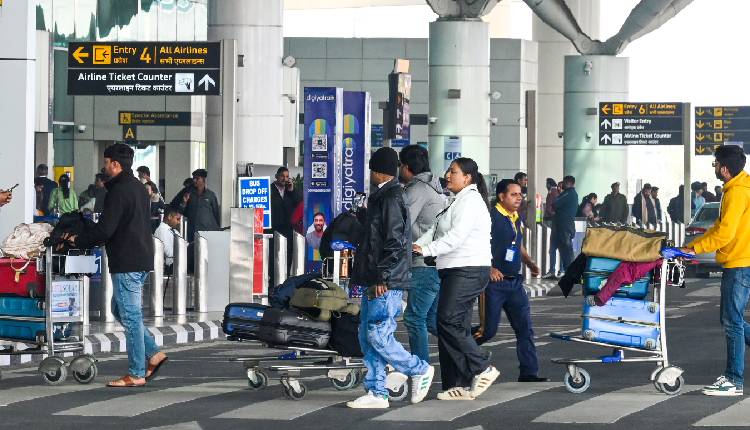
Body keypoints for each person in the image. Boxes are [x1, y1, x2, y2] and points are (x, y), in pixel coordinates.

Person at [68, 143, 167, 387]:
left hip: (127, 260)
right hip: (140, 257)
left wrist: (78, 240)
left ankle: (136, 373)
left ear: (115, 164)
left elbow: (106, 229)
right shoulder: (137, 187)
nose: (103, 167)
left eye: (106, 162)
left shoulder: (119, 191)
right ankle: (153, 353)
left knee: (130, 317)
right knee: (119, 309)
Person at [348, 147, 434, 409]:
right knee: (368, 335)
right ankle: (377, 392)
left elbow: (394, 242)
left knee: (378, 334)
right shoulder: (384, 196)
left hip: (385, 280)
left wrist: (382, 277)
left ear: (377, 171)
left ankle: (419, 368)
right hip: (376, 278)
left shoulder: (391, 197)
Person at [414, 157, 499, 401]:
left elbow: (456, 237)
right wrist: (417, 246)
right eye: (449, 171)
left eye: (453, 171)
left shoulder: (471, 201)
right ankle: (457, 384)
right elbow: (434, 230)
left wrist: (427, 250)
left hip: (468, 269)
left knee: (447, 320)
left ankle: (481, 366)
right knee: (453, 325)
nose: (447, 175)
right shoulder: (455, 201)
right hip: (453, 269)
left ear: (467, 178)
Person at [680, 145, 750, 396]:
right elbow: (719, 228)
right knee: (732, 319)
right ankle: (733, 378)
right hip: (741, 261)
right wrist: (691, 247)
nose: (715, 168)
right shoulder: (738, 188)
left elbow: (725, 233)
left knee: (732, 322)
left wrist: (694, 250)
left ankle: (733, 380)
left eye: (716, 164)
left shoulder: (737, 192)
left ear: (725, 169)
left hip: (739, 263)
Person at [473, 179, 547, 382]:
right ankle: (457, 347)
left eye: (520, 194)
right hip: (493, 285)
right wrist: (489, 268)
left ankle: (529, 372)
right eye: (513, 194)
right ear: (501, 196)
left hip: (515, 283)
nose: (519, 198)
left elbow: (517, 244)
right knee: (487, 331)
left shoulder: (515, 217)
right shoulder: (491, 218)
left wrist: (530, 263)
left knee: (525, 329)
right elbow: (476, 243)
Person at [399, 144, 447, 362]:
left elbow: (400, 224)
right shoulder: (436, 187)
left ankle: (421, 370)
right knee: (431, 320)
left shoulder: (417, 189)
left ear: (406, 167)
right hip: (437, 263)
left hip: (424, 264)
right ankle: (472, 354)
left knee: (414, 318)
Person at [271, 167, 301, 275]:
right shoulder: (270, 189)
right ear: (276, 176)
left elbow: (299, 203)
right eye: (282, 176)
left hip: (288, 229)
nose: (285, 179)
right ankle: (273, 281)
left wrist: (291, 190)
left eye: (287, 176)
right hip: (274, 228)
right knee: (274, 256)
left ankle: (286, 279)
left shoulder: (290, 191)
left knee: (287, 255)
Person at [179, 169, 220, 242]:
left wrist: (217, 230)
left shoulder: (211, 195)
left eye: (197, 178)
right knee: (193, 248)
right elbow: (182, 212)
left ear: (203, 179)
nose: (194, 180)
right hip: (193, 231)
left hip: (207, 231)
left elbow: (216, 213)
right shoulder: (189, 194)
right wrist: (184, 202)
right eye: (194, 178)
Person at [553, 176, 578, 275]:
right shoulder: (570, 193)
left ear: (568, 183)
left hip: (565, 226)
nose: (562, 184)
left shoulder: (568, 193)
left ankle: (571, 273)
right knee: (566, 250)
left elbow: (555, 204)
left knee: (567, 251)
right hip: (566, 225)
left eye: (564, 182)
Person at [542, 178, 561, 279]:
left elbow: (549, 209)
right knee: (562, 248)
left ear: (549, 184)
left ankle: (552, 270)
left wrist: (553, 214)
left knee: (552, 248)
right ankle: (561, 270)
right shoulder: (559, 193)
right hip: (559, 223)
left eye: (546, 183)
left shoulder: (551, 193)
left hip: (551, 221)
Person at [154, 205, 182, 269]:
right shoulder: (161, 230)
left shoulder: (174, 231)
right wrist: (184, 250)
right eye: (177, 219)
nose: (179, 222)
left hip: (178, 261)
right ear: (169, 217)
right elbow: (168, 253)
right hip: (170, 266)